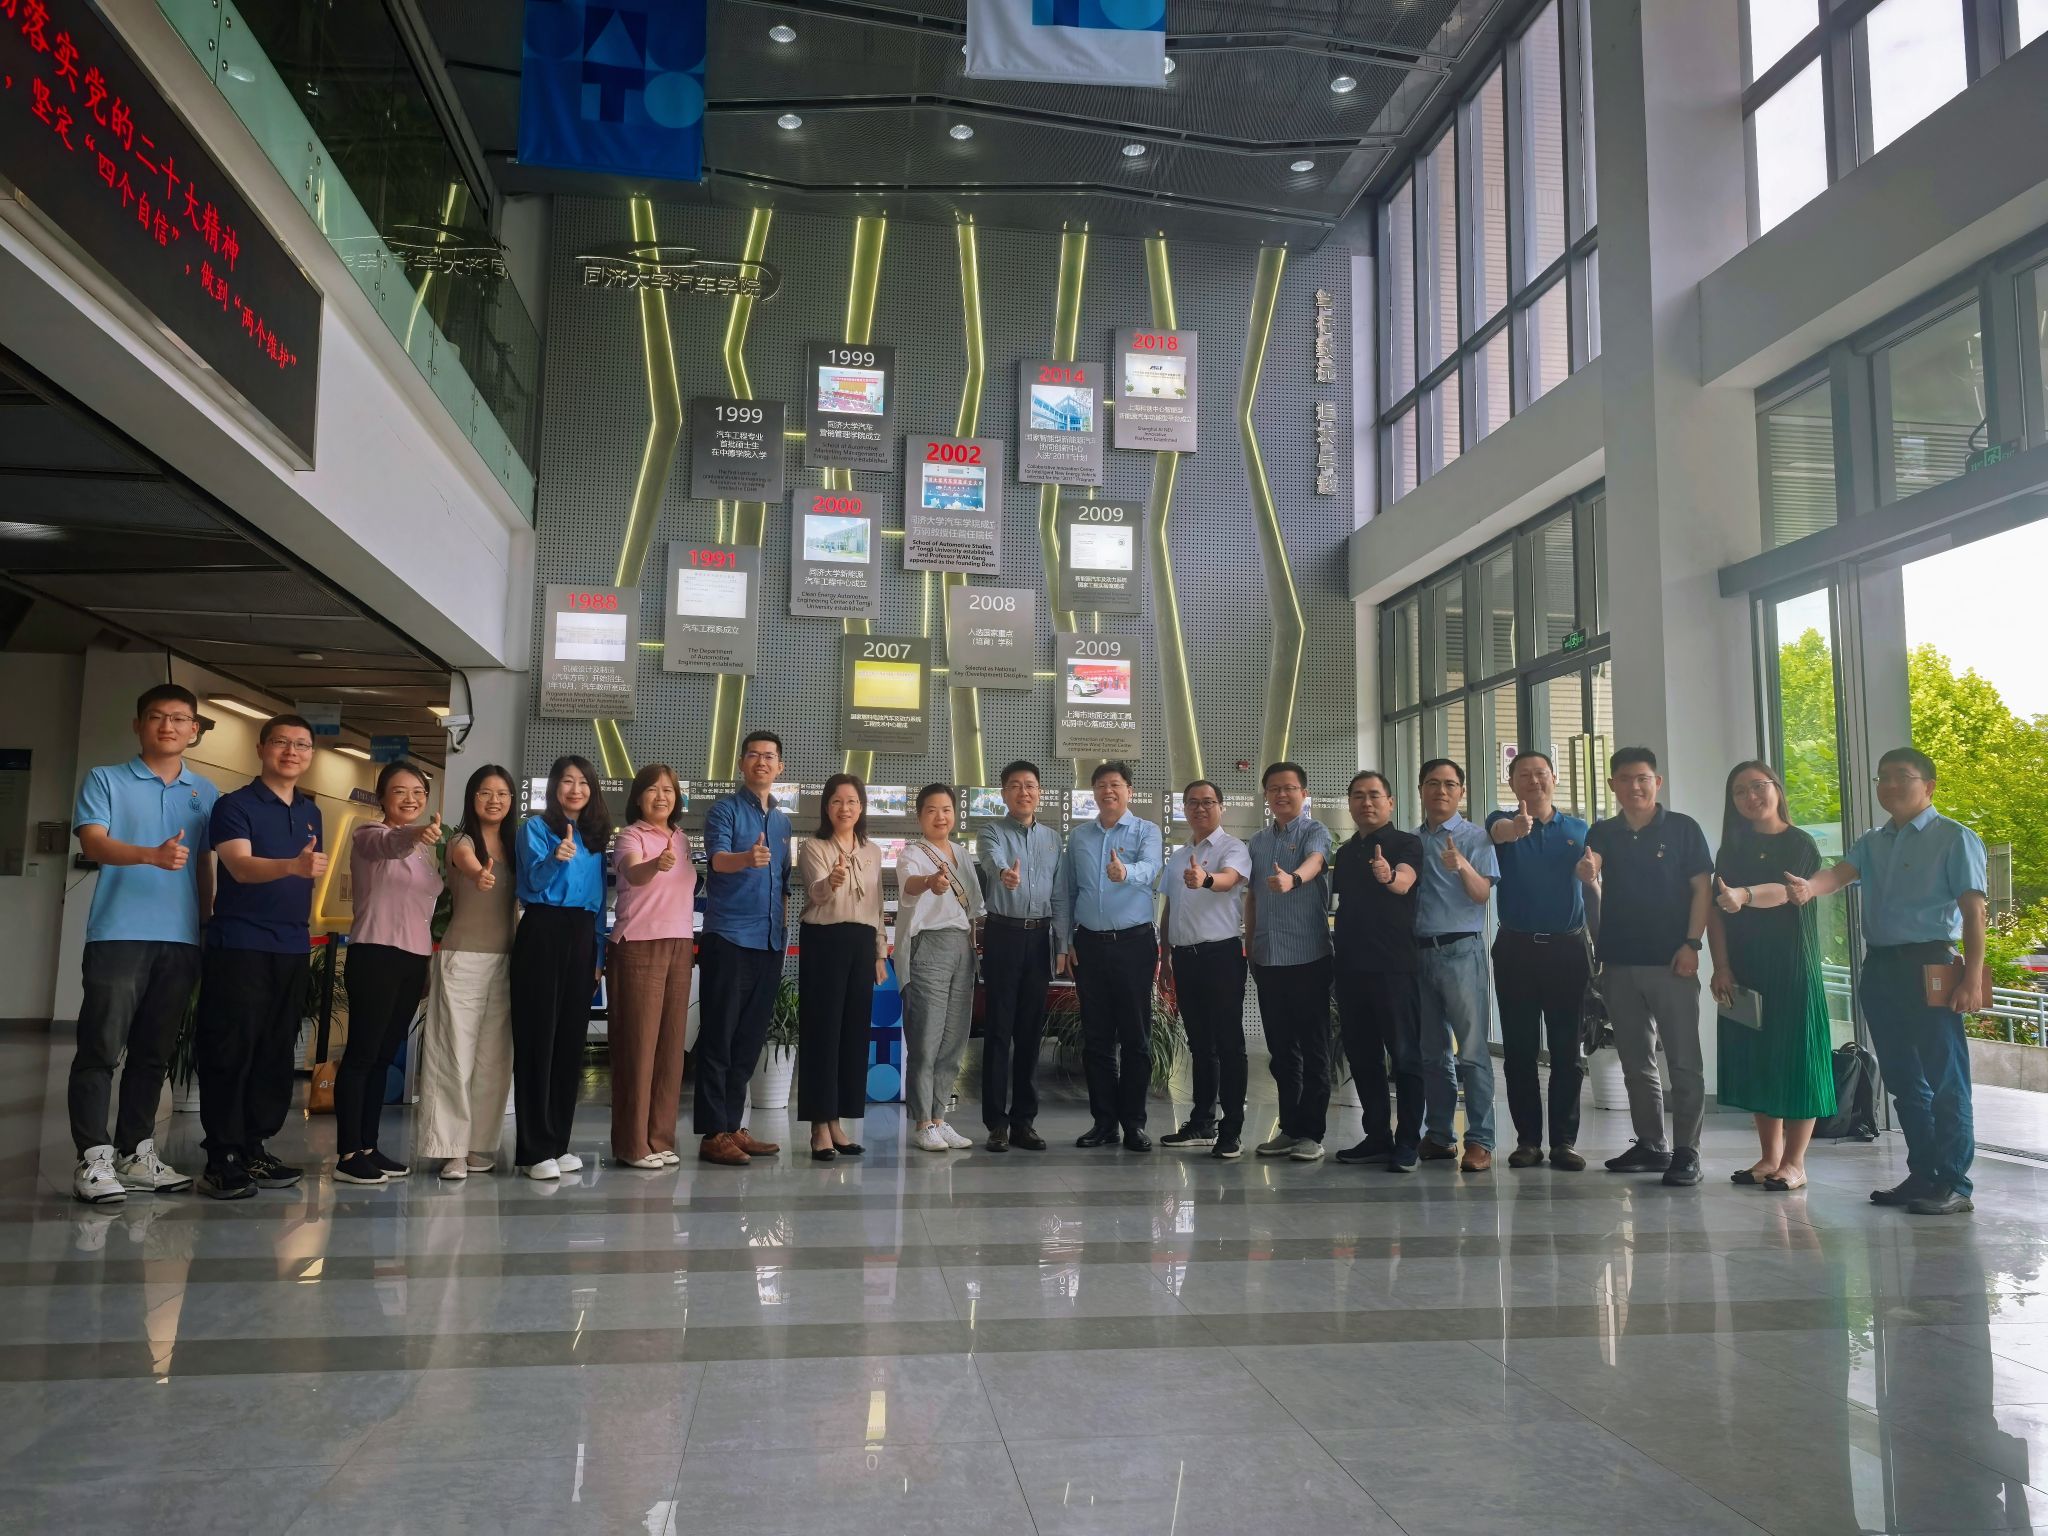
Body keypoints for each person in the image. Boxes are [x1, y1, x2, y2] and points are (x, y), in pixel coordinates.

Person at [1784, 747, 1987, 1215]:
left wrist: (1972, 978)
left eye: (1902, 776)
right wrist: (1808, 888)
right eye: (1883, 778)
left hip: (1932, 965)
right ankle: (1924, 1175)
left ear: (1928, 786)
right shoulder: (1873, 841)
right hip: (1880, 967)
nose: (1890, 785)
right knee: (1903, 1080)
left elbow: (1975, 913)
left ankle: (1954, 1183)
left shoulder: (1955, 838)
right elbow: (1838, 875)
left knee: (1946, 1079)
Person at [68, 683, 217, 1203]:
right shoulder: (105, 778)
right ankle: (93, 1158)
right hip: (119, 933)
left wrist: (205, 923)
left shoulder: (204, 792)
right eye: (157, 716)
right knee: (100, 1049)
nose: (168, 726)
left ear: (194, 730)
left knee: (154, 1053)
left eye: (179, 719)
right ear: (138, 725)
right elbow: (93, 842)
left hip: (180, 939)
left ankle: (136, 1153)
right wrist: (150, 856)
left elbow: (203, 863)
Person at [195, 713, 325, 1199]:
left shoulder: (311, 812)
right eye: (281, 743)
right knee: (231, 1050)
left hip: (291, 947)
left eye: (301, 745)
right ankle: (223, 1155)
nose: (291, 752)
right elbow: (240, 867)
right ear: (261, 749)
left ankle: (253, 1145)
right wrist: (292, 866)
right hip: (241, 945)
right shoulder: (234, 805)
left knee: (274, 1051)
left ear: (310, 754)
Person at [1577, 746, 1714, 1187]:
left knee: (1684, 1062)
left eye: (1643, 778)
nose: (1634, 786)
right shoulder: (1604, 831)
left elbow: (1702, 889)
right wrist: (1588, 869)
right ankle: (1652, 1144)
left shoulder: (1683, 829)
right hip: (1619, 963)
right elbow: (1594, 864)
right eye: (1625, 779)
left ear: (1657, 782)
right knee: (1636, 1062)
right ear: (1613, 784)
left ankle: (1687, 1152)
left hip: (1673, 961)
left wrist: (1692, 944)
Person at [1707, 760, 1836, 1193]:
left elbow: (1786, 893)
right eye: (1740, 791)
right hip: (1746, 966)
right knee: (1759, 1058)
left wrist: (1743, 895)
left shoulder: (1800, 843)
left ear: (1777, 789)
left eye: (1758, 786)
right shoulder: (1730, 849)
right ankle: (1768, 1157)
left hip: (1792, 965)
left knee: (1797, 1058)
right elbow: (1715, 912)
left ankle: (1795, 1163)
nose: (1751, 797)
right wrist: (1721, 965)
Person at [333, 760, 442, 1186]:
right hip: (376, 953)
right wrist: (415, 833)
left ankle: (369, 1146)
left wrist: (426, 964)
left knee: (382, 1057)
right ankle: (347, 1153)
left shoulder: (426, 852)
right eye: (400, 791)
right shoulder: (369, 834)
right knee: (362, 1055)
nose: (411, 799)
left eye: (418, 792)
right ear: (382, 797)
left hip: (412, 959)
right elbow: (390, 844)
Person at [1486, 751, 1595, 1171]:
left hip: (1567, 950)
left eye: (1541, 773)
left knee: (1567, 1051)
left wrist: (1593, 874)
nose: (1534, 781)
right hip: (1516, 948)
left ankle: (1564, 1142)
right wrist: (1516, 828)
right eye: (1524, 775)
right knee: (1519, 1050)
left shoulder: (1579, 829)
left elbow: (1595, 878)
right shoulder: (1502, 821)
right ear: (1512, 782)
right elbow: (1497, 832)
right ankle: (1528, 1141)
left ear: (1554, 778)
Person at [1054, 761, 1164, 1150]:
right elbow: (1067, 892)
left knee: (1135, 1037)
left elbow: (1152, 867)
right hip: (1089, 946)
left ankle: (1133, 1124)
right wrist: (1066, 942)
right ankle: (1103, 1123)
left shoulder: (1146, 830)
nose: (1108, 791)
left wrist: (1126, 873)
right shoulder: (1079, 837)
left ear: (1129, 790)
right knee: (1097, 1038)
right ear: (1093, 792)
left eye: (1115, 784)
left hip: (1133, 943)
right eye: (1101, 785)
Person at [696, 729, 791, 1167]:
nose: (762, 762)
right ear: (741, 763)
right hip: (730, 938)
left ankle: (733, 1126)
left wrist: (783, 927)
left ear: (780, 766)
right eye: (754, 755)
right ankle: (712, 1133)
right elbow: (716, 860)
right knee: (719, 1037)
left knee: (749, 1040)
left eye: (769, 756)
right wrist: (746, 859)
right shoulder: (724, 810)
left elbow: (784, 881)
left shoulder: (783, 822)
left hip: (769, 942)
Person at [417, 763, 516, 1181]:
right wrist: (479, 874)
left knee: (495, 1059)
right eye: (485, 793)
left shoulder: (516, 844)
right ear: (472, 798)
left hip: (508, 961)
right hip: (462, 959)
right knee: (452, 1055)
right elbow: (468, 862)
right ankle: (450, 1149)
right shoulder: (461, 840)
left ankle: (479, 1144)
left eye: (502, 794)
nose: (494, 801)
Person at [511, 755, 609, 1181]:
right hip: (543, 928)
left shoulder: (595, 836)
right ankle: (534, 1150)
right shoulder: (534, 828)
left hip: (583, 934)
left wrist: (598, 957)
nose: (575, 789)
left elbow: (599, 902)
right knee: (538, 1040)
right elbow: (530, 884)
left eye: (583, 782)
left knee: (570, 1043)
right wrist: (555, 856)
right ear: (554, 788)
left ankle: (558, 1143)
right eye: (567, 781)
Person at [1329, 771, 1427, 1171]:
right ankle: (1377, 1136)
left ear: (1390, 802)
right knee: (1363, 1056)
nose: (1366, 802)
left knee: (1404, 1055)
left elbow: (1405, 881)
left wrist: (1389, 877)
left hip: (1394, 967)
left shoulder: (1406, 843)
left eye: (1374, 795)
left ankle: (1408, 1141)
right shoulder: (1346, 852)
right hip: (1351, 968)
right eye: (1357, 796)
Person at [1244, 762, 1334, 1162]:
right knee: (1281, 1053)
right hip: (1268, 958)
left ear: (1304, 793)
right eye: (1274, 789)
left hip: (1308, 958)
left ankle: (1312, 1133)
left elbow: (1315, 862)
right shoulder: (1257, 843)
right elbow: (1251, 898)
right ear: (1266, 795)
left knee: (1314, 1049)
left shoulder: (1315, 832)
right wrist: (1250, 946)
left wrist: (1293, 879)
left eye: (1290, 788)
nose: (1282, 794)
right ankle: (1290, 1128)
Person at [607, 764, 696, 1170]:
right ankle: (632, 1144)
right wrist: (654, 864)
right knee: (638, 1046)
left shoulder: (682, 838)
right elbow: (631, 871)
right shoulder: (631, 835)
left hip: (680, 942)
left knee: (670, 1047)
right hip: (638, 945)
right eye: (653, 790)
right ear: (638, 797)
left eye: (669, 790)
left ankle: (660, 1137)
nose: (662, 796)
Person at [1413, 759, 1500, 1172]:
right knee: (1432, 1053)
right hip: (1419, 953)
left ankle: (1480, 1140)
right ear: (1421, 790)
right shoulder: (1412, 841)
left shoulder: (1476, 837)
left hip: (1461, 951)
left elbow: (1482, 895)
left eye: (1449, 784)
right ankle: (1440, 1134)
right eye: (1433, 783)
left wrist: (1462, 864)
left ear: (1461, 792)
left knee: (1473, 1051)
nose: (1441, 791)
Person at [1159, 779, 1253, 1158]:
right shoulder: (1179, 855)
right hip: (1185, 958)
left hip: (1221, 956)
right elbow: (1170, 907)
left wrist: (1207, 879)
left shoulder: (1233, 848)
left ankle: (1232, 1130)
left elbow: (1229, 880)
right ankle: (1202, 1123)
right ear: (1184, 809)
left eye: (1208, 802)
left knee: (1229, 1044)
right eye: (1193, 802)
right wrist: (1165, 954)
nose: (1200, 808)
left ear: (1221, 807)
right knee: (1200, 1044)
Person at [797, 773, 886, 1160]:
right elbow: (815, 893)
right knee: (823, 1032)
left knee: (852, 1033)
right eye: (836, 801)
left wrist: (879, 952)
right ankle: (819, 1125)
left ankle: (837, 1122)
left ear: (861, 807)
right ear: (826, 807)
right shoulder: (813, 846)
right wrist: (830, 882)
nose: (844, 808)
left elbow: (877, 905)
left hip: (861, 942)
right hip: (825, 942)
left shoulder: (873, 851)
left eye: (851, 801)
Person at [974, 759, 1061, 1152]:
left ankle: (1025, 1122)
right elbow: (991, 859)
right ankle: (996, 1123)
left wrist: (1062, 944)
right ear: (1004, 793)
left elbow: (1060, 895)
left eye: (1030, 785)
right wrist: (1004, 874)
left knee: (1030, 1032)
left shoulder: (1053, 839)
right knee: (998, 1031)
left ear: (1039, 792)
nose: (1023, 792)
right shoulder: (991, 830)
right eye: (1015, 785)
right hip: (1004, 934)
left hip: (1040, 937)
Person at [898, 785, 985, 1152]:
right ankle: (922, 1122)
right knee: (926, 1037)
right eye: (932, 810)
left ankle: (938, 1117)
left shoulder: (962, 854)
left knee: (954, 1039)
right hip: (928, 948)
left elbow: (975, 909)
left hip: (962, 947)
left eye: (946, 809)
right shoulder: (911, 854)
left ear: (955, 814)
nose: (940, 816)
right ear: (920, 816)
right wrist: (930, 882)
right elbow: (910, 885)